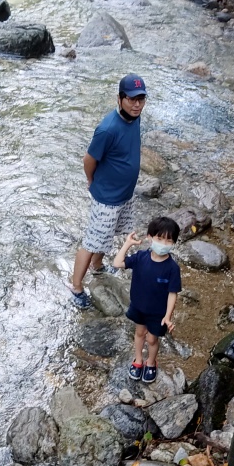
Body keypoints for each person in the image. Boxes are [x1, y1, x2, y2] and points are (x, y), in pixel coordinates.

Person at [70, 74, 147, 309]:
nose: (137, 104)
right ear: (120, 98)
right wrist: (92, 181)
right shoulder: (107, 129)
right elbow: (88, 159)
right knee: (92, 241)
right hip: (107, 197)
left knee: (110, 233)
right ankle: (76, 286)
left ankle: (97, 265)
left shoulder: (135, 118)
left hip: (124, 194)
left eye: (141, 99)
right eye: (132, 99)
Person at [113, 216, 181, 384]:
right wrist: (128, 243)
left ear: (173, 243)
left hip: (158, 313)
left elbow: (173, 293)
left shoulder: (172, 268)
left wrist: (168, 316)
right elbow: (117, 263)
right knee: (139, 333)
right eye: (159, 239)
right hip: (138, 306)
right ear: (150, 237)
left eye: (168, 241)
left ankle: (151, 362)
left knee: (152, 339)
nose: (163, 244)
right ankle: (138, 360)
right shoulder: (140, 257)